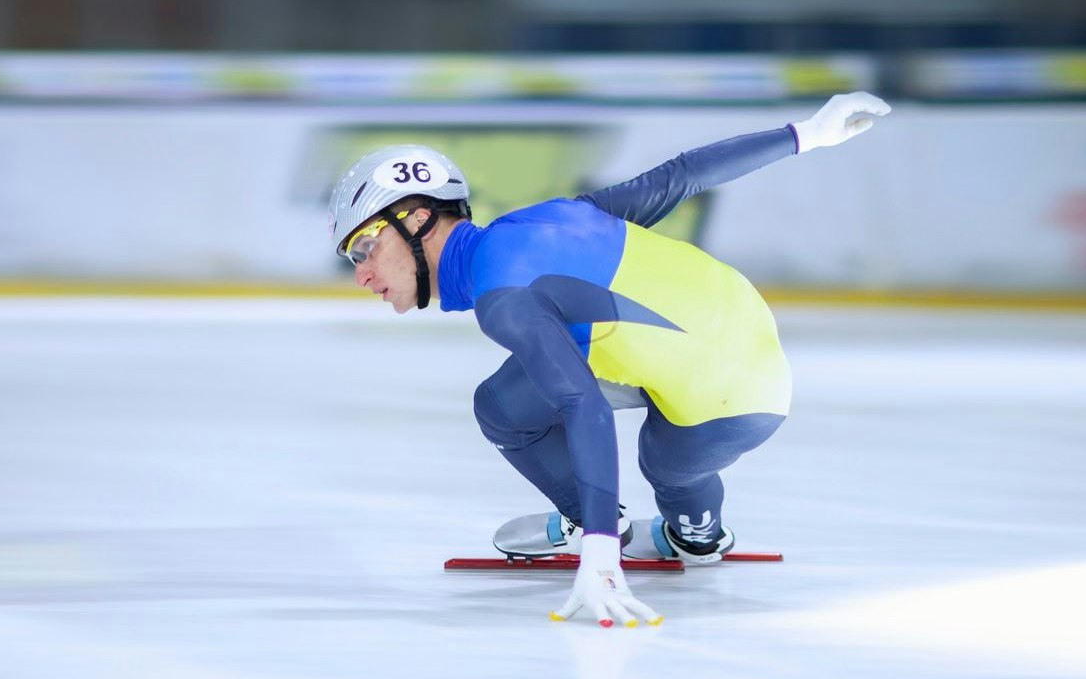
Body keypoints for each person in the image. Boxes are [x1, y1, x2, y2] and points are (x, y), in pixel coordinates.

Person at [328, 92, 891, 628]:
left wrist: (600, 553)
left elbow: (582, 404)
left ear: (419, 218)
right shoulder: (542, 218)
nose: (362, 274)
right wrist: (808, 134)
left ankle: (694, 534)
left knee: (665, 464)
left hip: (737, 393)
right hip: (734, 329)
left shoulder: (505, 298)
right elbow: (680, 176)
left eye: (364, 247)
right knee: (501, 404)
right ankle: (619, 519)